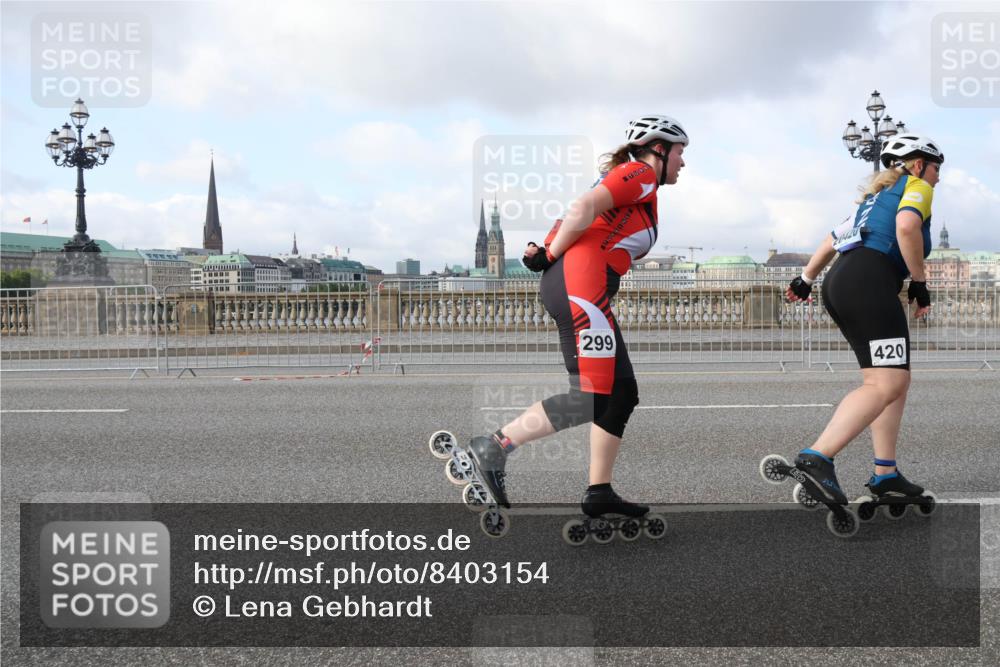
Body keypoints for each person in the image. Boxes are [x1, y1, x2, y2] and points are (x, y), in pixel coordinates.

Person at [464, 115, 688, 522]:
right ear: (659, 149)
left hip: (582, 285)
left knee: (621, 393)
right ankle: (493, 447)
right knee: (590, 396)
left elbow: (579, 222)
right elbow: (582, 207)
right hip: (581, 288)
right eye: (680, 153)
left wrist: (544, 251)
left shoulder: (637, 184)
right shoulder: (640, 174)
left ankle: (599, 491)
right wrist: (550, 256)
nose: (683, 163)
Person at [784, 133, 943, 505]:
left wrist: (805, 280)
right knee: (886, 384)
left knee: (891, 380)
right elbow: (906, 228)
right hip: (870, 282)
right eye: (936, 167)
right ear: (918, 164)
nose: (938, 176)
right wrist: (919, 283)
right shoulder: (917, 186)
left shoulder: (873, 201)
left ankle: (885, 473)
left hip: (842, 281)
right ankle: (817, 456)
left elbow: (829, 241)